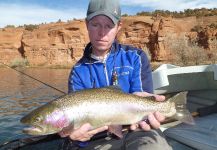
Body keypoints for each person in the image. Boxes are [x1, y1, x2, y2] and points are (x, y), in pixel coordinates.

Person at [60, 0, 172, 149]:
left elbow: (142, 95)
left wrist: (148, 110)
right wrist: (79, 138)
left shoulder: (135, 57)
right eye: (95, 25)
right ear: (86, 25)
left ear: (118, 27)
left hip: (138, 130)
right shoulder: (78, 72)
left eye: (109, 25)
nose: (102, 33)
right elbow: (78, 127)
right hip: (97, 138)